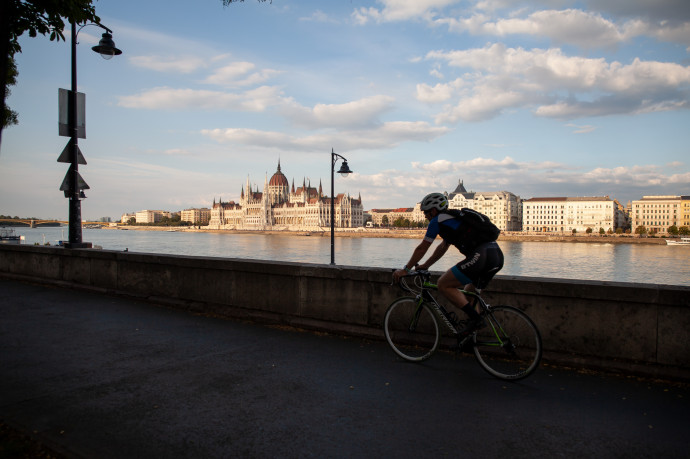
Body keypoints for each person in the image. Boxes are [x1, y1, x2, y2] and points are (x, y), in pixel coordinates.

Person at [392, 192, 504, 336]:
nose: (425, 216)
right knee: (470, 297)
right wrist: (426, 265)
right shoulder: (452, 219)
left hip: (482, 255)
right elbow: (443, 247)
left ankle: (477, 320)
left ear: (433, 210)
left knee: (443, 284)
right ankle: (472, 339)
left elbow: (422, 248)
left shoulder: (437, 221)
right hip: (496, 255)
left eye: (426, 212)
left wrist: (405, 270)